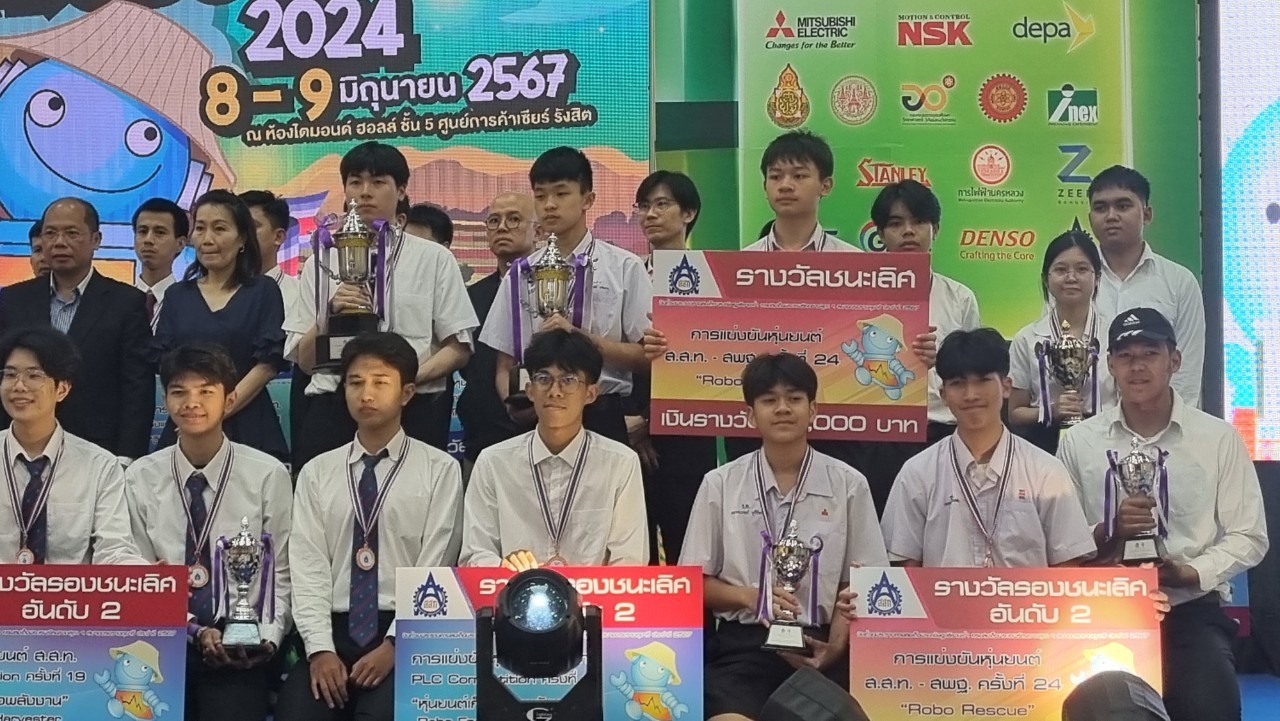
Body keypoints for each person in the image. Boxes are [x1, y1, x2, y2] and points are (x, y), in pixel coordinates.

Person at [1057, 307, 1267, 721]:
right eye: (1125, 355)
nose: (1137, 366)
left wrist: (1190, 572)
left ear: (1175, 360)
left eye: (1150, 353)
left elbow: (1250, 535)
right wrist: (1109, 532)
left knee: (1212, 711)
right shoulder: (1079, 441)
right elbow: (1059, 538)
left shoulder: (1218, 438)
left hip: (1188, 608)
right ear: (1110, 364)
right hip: (1099, 609)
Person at [681, 352, 887, 721]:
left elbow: (863, 580)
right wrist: (752, 596)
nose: (782, 409)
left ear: (812, 410)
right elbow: (693, 583)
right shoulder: (720, 484)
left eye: (794, 398)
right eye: (769, 400)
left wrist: (835, 647)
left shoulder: (849, 484)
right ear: (750, 414)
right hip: (744, 648)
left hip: (822, 645)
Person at [280, 332, 463, 721]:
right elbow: (308, 565)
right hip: (334, 629)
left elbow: (437, 564)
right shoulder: (316, 472)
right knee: (298, 714)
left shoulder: (439, 470)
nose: (366, 394)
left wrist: (397, 644)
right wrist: (319, 649)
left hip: (406, 630)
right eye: (355, 382)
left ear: (407, 392)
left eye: (380, 382)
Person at [125, 344, 292, 721]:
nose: (191, 403)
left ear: (230, 399)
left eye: (206, 391)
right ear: (165, 399)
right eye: (179, 391)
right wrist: (189, 626)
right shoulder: (140, 477)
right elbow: (134, 567)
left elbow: (281, 572)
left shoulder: (267, 475)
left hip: (239, 641)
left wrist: (265, 638)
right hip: (162, 636)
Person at [288, 142, 477, 468]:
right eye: (355, 182)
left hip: (413, 406)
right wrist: (327, 316)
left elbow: (459, 347)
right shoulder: (321, 261)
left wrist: (402, 382)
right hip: (333, 406)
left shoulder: (433, 258)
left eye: (377, 182)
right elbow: (304, 363)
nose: (365, 192)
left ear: (401, 190)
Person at [881, 328, 1097, 568]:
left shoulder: (1046, 471)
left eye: (983, 381)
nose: (971, 395)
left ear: (1006, 387)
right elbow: (905, 567)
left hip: (1023, 594)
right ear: (943, 395)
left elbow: (1067, 566)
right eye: (958, 383)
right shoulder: (917, 473)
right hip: (940, 594)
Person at [481, 146, 650, 445]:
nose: (549, 205)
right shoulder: (520, 273)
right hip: (537, 413)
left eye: (561, 193)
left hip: (601, 411)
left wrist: (580, 338)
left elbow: (645, 357)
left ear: (588, 199)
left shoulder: (625, 267)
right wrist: (515, 403)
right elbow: (505, 363)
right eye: (540, 195)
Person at [461, 328, 648, 568]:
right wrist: (503, 570)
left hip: (594, 592)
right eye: (544, 379)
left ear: (591, 394)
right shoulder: (493, 462)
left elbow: (630, 561)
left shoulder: (621, 463)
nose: (555, 391)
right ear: (529, 390)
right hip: (514, 589)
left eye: (568, 380)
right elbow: (475, 554)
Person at [0, 197, 153, 460]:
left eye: (71, 233)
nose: (59, 242)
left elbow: (137, 388)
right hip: (21, 447)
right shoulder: (12, 300)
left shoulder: (126, 303)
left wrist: (128, 457)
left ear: (96, 239)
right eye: (50, 233)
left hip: (98, 449)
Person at [151, 190, 288, 462]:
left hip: (247, 423)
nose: (207, 239)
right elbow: (166, 365)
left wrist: (217, 412)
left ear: (242, 238)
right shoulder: (177, 295)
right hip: (187, 422)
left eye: (220, 228)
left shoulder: (263, 290)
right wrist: (193, 413)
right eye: (200, 228)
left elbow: (266, 365)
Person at [630, 170, 718, 564]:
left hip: (689, 433)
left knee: (689, 546)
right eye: (644, 206)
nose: (650, 214)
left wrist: (656, 418)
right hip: (631, 429)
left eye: (662, 204)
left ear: (689, 213)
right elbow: (623, 355)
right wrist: (636, 420)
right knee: (637, 548)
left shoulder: (714, 278)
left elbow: (713, 360)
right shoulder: (627, 274)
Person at [0, 327, 138, 564]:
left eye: (34, 376)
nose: (19, 386)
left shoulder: (99, 466)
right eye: (10, 374)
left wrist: (153, 577)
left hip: (69, 589)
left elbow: (113, 549)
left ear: (62, 389)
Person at [1087, 166, 1204, 406]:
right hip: (1088, 423)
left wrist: (1170, 423)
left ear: (1147, 214)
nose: (1111, 216)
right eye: (1100, 208)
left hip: (1159, 422)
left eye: (1123, 206)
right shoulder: (1071, 281)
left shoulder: (1179, 281)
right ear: (1090, 218)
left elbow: (1186, 371)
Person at [1009, 229, 1114, 453]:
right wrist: (1051, 411)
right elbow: (1015, 413)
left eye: (1082, 269)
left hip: (1105, 441)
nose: (1071, 278)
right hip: (1043, 444)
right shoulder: (1027, 339)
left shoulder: (1114, 336)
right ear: (1045, 279)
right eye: (1060, 270)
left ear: (1097, 278)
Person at [457, 192, 536, 473]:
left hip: (543, 435)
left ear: (538, 230)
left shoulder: (557, 290)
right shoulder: (470, 297)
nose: (502, 227)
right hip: (483, 443)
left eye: (514, 219)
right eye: (493, 221)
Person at [742, 130, 859, 252]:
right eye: (775, 177)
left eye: (799, 176)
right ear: (765, 187)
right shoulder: (743, 261)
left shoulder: (852, 259)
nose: (785, 186)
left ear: (825, 186)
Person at [132, 197, 189, 328]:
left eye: (159, 232)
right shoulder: (117, 303)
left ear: (180, 243)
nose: (148, 240)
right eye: (142, 231)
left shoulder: (191, 305)